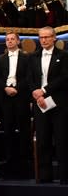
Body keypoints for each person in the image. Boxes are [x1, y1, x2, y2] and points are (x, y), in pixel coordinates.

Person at [29, 27, 68, 184]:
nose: (44, 40)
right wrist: (36, 93)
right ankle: (45, 176)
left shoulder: (64, 56)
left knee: (62, 139)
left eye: (47, 37)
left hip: (59, 103)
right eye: (41, 37)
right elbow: (29, 78)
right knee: (43, 140)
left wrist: (44, 90)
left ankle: (65, 176)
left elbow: (64, 78)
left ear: (54, 38)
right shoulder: (33, 57)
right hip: (40, 103)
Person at [0, 31, 32, 178]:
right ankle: (9, 162)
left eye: (12, 39)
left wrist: (17, 89)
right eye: (7, 39)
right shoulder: (0, 59)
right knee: (7, 130)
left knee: (24, 130)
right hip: (5, 98)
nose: (9, 41)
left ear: (18, 41)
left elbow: (30, 77)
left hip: (21, 96)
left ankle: (25, 162)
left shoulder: (27, 58)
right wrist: (5, 88)